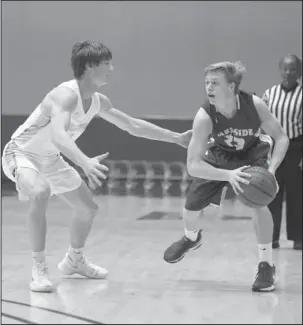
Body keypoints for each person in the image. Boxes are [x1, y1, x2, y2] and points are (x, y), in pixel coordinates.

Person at [1, 40, 192, 293]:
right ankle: (39, 268)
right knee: (40, 192)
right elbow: (59, 135)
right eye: (106, 64)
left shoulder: (98, 101)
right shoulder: (65, 95)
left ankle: (74, 260)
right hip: (21, 153)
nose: (111, 68)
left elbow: (132, 125)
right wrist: (84, 162)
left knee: (88, 208)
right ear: (90, 66)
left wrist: (176, 138)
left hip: (50, 159)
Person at [163, 61, 289, 292]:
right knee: (190, 209)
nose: (208, 87)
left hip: (252, 154)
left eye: (215, 83)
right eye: (207, 82)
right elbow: (193, 165)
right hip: (220, 157)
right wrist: (228, 175)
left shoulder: (254, 104)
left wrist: (271, 172)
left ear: (231, 87)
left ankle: (266, 265)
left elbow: (281, 138)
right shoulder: (204, 116)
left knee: (260, 205)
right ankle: (191, 238)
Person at [262, 54, 302, 250]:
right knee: (272, 193)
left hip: (296, 148)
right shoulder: (270, 94)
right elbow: (261, 122)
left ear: (299, 72)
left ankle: (298, 238)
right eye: (285, 68)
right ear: (280, 70)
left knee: (297, 195)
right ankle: (272, 237)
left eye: (293, 69)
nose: (288, 72)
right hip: (274, 147)